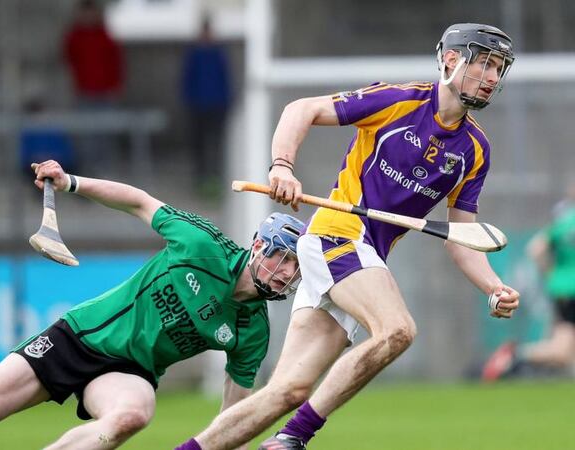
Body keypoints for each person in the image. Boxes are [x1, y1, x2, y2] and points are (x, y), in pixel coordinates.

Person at [175, 23, 521, 450]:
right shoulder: (399, 101)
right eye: (485, 63)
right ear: (451, 60)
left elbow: (462, 236)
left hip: (365, 258)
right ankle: (293, 439)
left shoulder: (475, 150)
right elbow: (300, 109)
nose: (492, 77)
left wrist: (492, 288)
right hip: (337, 235)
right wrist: (281, 166)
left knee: (287, 392)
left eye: (499, 68)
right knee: (397, 330)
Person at [0, 159, 305, 450]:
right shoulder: (202, 245)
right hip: (80, 337)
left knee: (131, 416)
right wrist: (71, 183)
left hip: (131, 371)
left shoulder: (254, 331)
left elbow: (235, 414)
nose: (285, 273)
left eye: (295, 268)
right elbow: (139, 200)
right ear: (258, 246)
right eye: (281, 257)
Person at [482, 184, 575, 381]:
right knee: (561, 352)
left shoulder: (563, 222)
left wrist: (553, 274)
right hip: (570, 291)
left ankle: (516, 358)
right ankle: (514, 357)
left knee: (562, 353)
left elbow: (535, 249)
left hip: (561, 288)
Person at [62, 0, 124, 176]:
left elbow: (116, 63)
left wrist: (115, 87)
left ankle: (104, 171)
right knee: (86, 135)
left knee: (105, 134)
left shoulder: (105, 36)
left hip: (105, 92)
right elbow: (69, 58)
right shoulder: (75, 37)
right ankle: (86, 173)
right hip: (85, 93)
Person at [181, 15, 233, 196]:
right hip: (198, 107)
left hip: (217, 106)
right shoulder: (195, 55)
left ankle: (215, 179)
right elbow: (187, 81)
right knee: (200, 146)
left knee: (216, 145)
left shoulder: (218, 54)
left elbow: (225, 80)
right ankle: (201, 179)